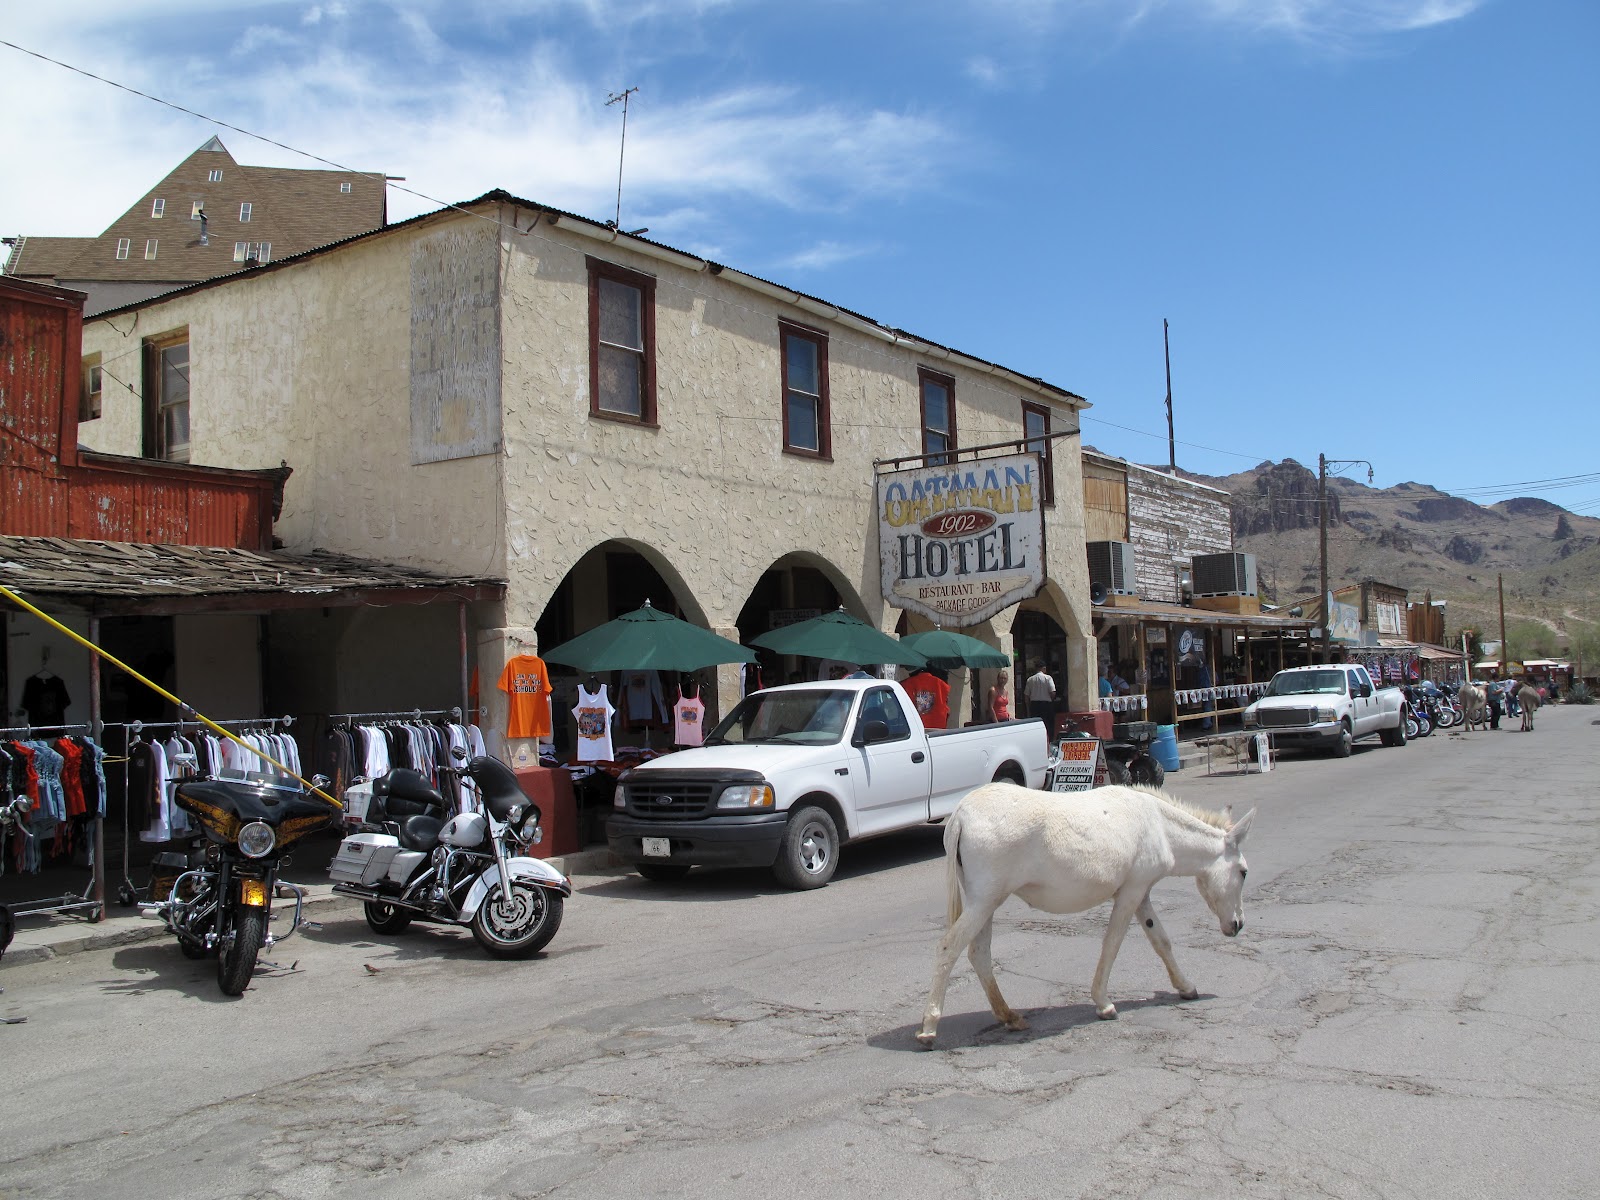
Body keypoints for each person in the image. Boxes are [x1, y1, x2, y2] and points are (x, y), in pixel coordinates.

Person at [1024, 661, 1056, 726]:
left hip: (1034, 705)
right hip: (1046, 705)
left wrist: (1028, 708)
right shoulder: (1048, 678)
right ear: (1043, 668)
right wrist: (1051, 700)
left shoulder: (1030, 679)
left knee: (1036, 725)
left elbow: (1026, 696)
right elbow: (1052, 692)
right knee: (1048, 725)